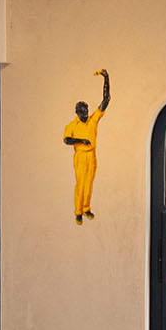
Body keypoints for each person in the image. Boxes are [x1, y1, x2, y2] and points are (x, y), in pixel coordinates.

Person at [64, 68, 110, 221]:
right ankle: (78, 211)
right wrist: (81, 140)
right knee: (81, 183)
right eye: (82, 113)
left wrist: (106, 79)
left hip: (92, 155)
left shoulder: (93, 120)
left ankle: (86, 208)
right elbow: (66, 140)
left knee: (89, 183)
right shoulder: (72, 125)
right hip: (80, 156)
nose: (85, 115)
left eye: (86, 112)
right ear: (77, 112)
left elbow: (106, 100)